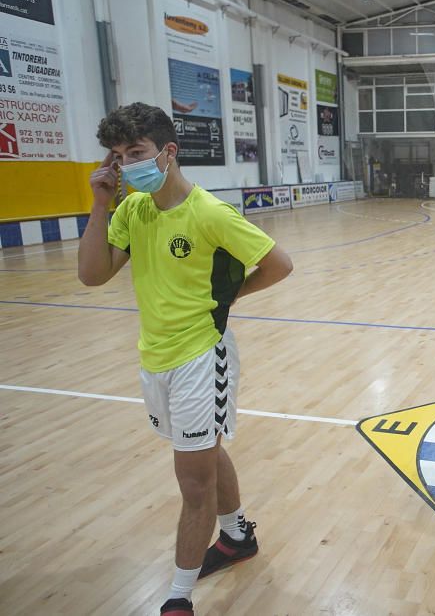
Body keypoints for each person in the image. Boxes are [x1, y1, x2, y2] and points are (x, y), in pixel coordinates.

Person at [78, 103, 294, 616]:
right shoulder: (132, 210)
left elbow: (278, 264)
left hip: (202, 358)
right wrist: (100, 203)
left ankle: (178, 596)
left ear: (167, 153)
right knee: (201, 450)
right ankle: (238, 535)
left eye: (136, 154)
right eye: (117, 156)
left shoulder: (210, 213)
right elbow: (92, 275)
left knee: (193, 481)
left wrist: (229, 298)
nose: (125, 165)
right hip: (154, 358)